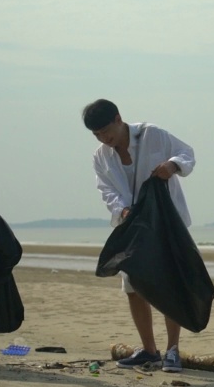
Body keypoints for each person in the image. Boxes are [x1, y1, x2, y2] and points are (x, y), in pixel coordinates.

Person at [83, 99, 196, 373]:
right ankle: (149, 350)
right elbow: (106, 190)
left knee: (170, 284)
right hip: (132, 227)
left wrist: (172, 165)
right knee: (133, 287)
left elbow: (187, 153)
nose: (104, 138)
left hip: (167, 222)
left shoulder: (151, 134)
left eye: (106, 131)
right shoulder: (101, 156)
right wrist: (121, 210)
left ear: (119, 119)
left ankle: (172, 350)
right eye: (97, 135)